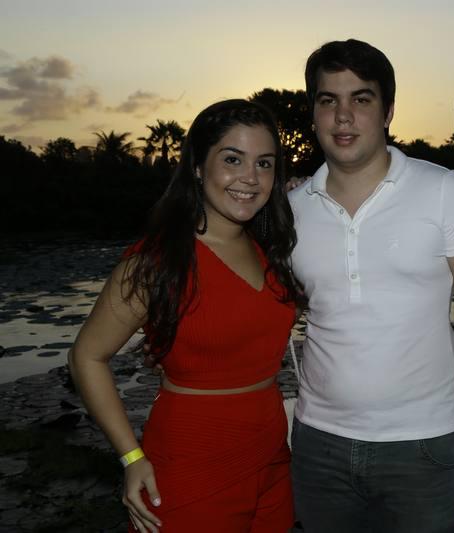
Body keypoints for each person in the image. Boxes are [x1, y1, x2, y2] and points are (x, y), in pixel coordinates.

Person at [288, 39, 454, 532]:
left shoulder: (444, 191)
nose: (343, 116)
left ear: (388, 111)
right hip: (319, 444)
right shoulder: (292, 210)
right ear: (313, 114)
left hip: (421, 447)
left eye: (362, 98)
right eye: (328, 100)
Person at [69, 99, 300, 533]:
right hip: (192, 461)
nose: (251, 177)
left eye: (264, 163)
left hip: (272, 459)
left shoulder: (272, 249)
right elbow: (86, 356)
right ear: (197, 166)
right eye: (232, 159)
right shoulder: (158, 263)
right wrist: (131, 457)